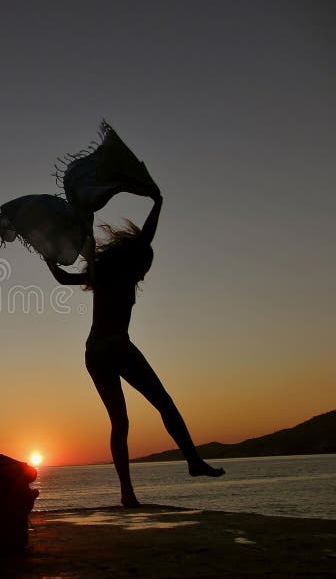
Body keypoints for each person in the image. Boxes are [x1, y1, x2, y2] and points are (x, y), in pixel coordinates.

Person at [45, 188, 224, 507]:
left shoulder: (101, 274)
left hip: (94, 352)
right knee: (164, 402)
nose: (144, 272)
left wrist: (47, 254)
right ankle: (193, 462)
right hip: (117, 347)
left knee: (120, 422)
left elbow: (62, 279)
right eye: (144, 266)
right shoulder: (125, 274)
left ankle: (127, 493)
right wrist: (157, 204)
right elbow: (146, 239)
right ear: (135, 262)